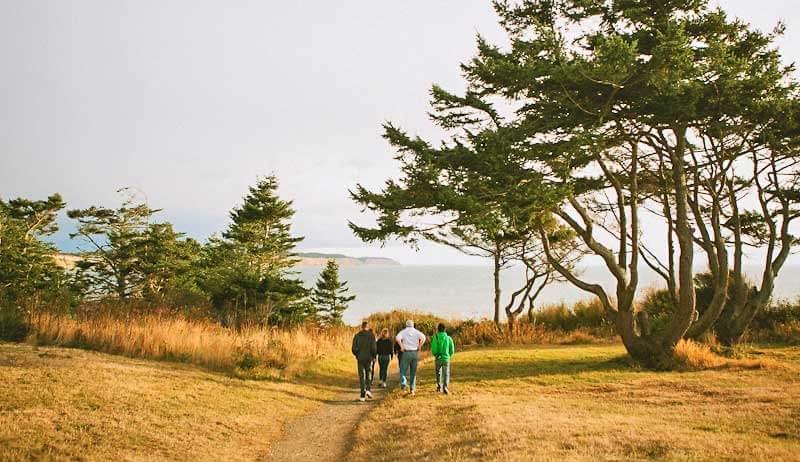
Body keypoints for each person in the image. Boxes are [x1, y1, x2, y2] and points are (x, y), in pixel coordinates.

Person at [395, 319, 426, 396]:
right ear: (412, 325)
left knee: (402, 369)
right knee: (413, 372)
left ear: (406, 325)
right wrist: (419, 346)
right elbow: (423, 337)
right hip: (415, 353)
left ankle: (403, 383)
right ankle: (412, 390)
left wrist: (401, 346)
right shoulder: (416, 332)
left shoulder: (403, 331)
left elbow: (397, 338)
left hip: (406, 352)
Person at [351, 321, 377, 402]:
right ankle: (368, 390)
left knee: (362, 376)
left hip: (360, 358)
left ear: (361, 327)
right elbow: (374, 348)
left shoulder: (357, 336)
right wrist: (374, 356)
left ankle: (362, 395)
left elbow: (353, 349)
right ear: (368, 327)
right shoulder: (371, 336)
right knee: (368, 374)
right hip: (369, 358)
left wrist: (357, 355)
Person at [430, 322, 455, 395]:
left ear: (438, 329)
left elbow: (434, 349)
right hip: (446, 358)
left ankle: (439, 386)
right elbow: (452, 349)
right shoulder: (448, 338)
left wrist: (436, 354)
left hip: (438, 358)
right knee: (446, 373)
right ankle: (445, 388)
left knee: (438, 372)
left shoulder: (436, 337)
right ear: (445, 329)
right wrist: (448, 356)